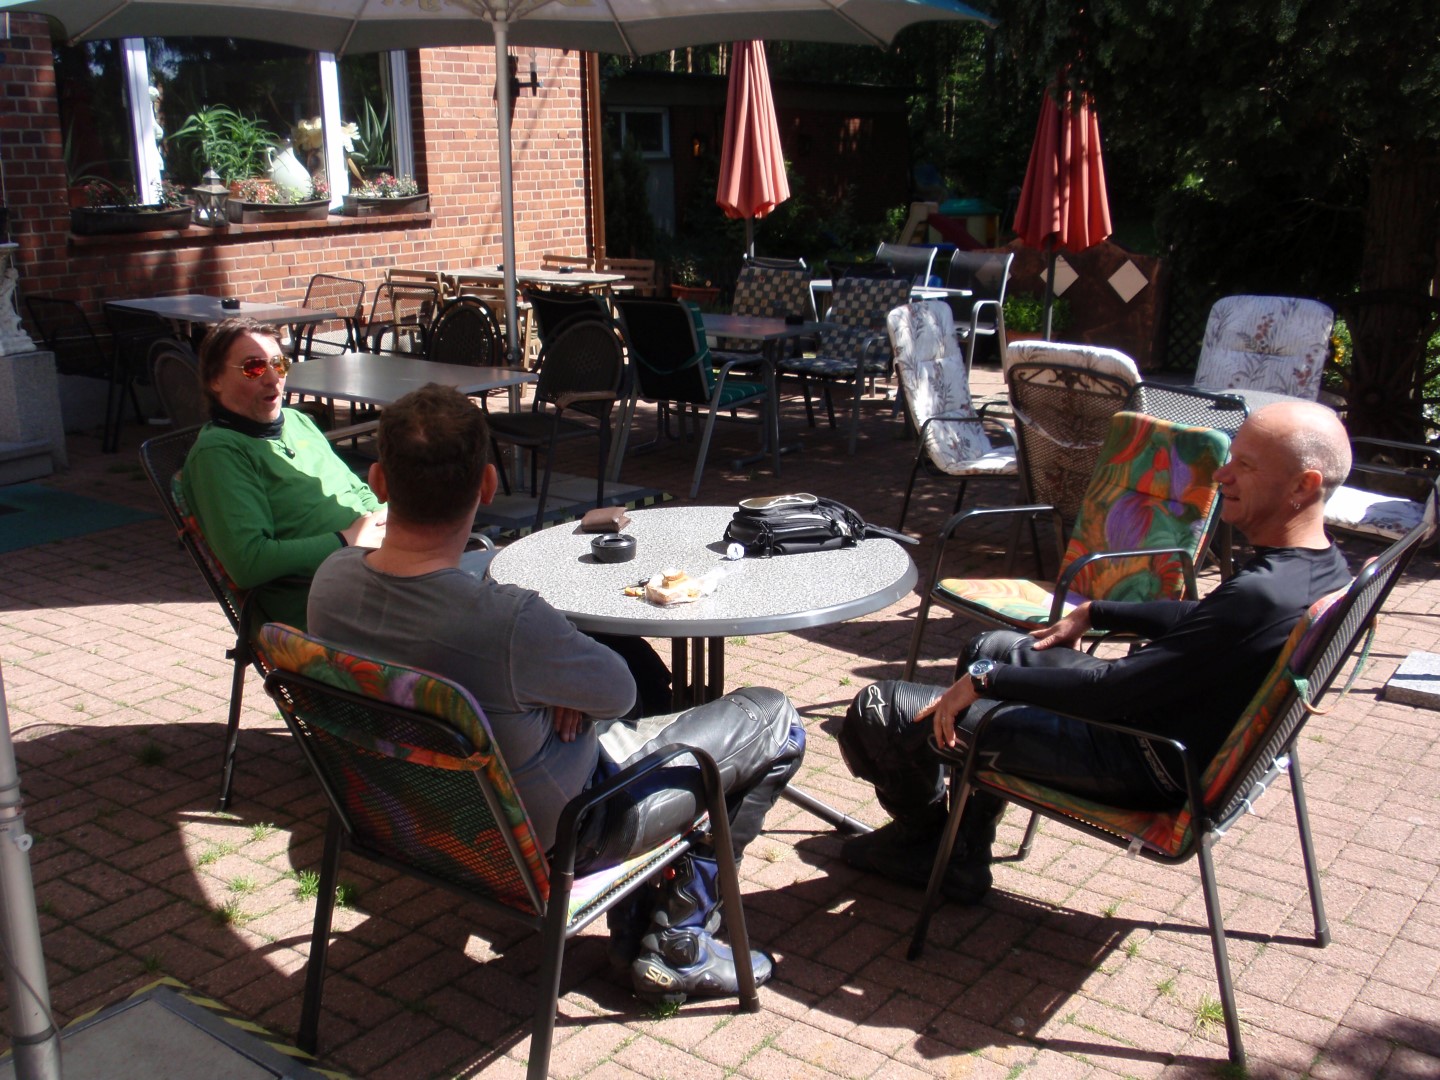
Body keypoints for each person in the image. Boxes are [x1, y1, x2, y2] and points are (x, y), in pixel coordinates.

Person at [306, 383, 807, 1006]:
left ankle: (640, 918)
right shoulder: (506, 622)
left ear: (379, 481)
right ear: (488, 485)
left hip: (407, 819)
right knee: (775, 719)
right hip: (563, 834)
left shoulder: (329, 583)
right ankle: (678, 943)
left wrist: (541, 690)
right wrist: (551, 690)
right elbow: (618, 693)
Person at [838, 401, 1354, 903]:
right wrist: (1097, 611)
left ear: (1303, 485)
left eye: (1245, 465)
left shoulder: (1262, 594)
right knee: (991, 645)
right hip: (1162, 740)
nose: (1222, 476)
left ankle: (923, 841)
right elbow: (1209, 621)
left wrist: (984, 680)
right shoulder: (1319, 569)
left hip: (1140, 762)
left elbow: (1110, 690)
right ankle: (961, 850)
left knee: (882, 710)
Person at [181, 317, 385, 629]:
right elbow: (249, 561)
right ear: (215, 380)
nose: (273, 378)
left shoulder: (296, 421)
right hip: (322, 607)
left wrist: (387, 520)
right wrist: (347, 540)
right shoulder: (219, 452)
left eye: (280, 364)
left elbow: (355, 490)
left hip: (373, 571)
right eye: (253, 368)